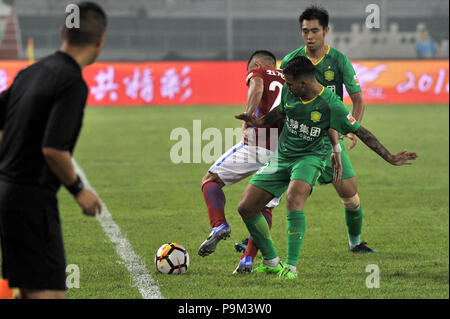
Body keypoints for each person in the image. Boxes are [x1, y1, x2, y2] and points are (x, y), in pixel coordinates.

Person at [235, 56, 418, 279]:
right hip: (282, 156)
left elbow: (360, 131)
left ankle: (290, 268)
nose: (287, 87)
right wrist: (259, 121)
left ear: (303, 83)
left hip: (311, 156)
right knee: (246, 207)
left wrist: (389, 157)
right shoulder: (290, 90)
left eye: (290, 83)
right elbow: (282, 111)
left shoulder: (332, 105)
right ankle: (273, 262)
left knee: (294, 197)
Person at [197, 50, 341, 274]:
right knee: (264, 207)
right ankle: (248, 260)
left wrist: (247, 118)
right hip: (284, 152)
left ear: (255, 64)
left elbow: (256, 87)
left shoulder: (259, 72)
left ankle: (219, 224)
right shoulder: (292, 78)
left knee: (211, 179)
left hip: (258, 141)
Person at [0, 2, 106, 299]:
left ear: (63, 33)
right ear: (100, 40)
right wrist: (78, 190)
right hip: (31, 198)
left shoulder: (30, 72)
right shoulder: (72, 82)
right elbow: (53, 149)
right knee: (50, 295)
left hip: (10, 193)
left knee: (34, 291)